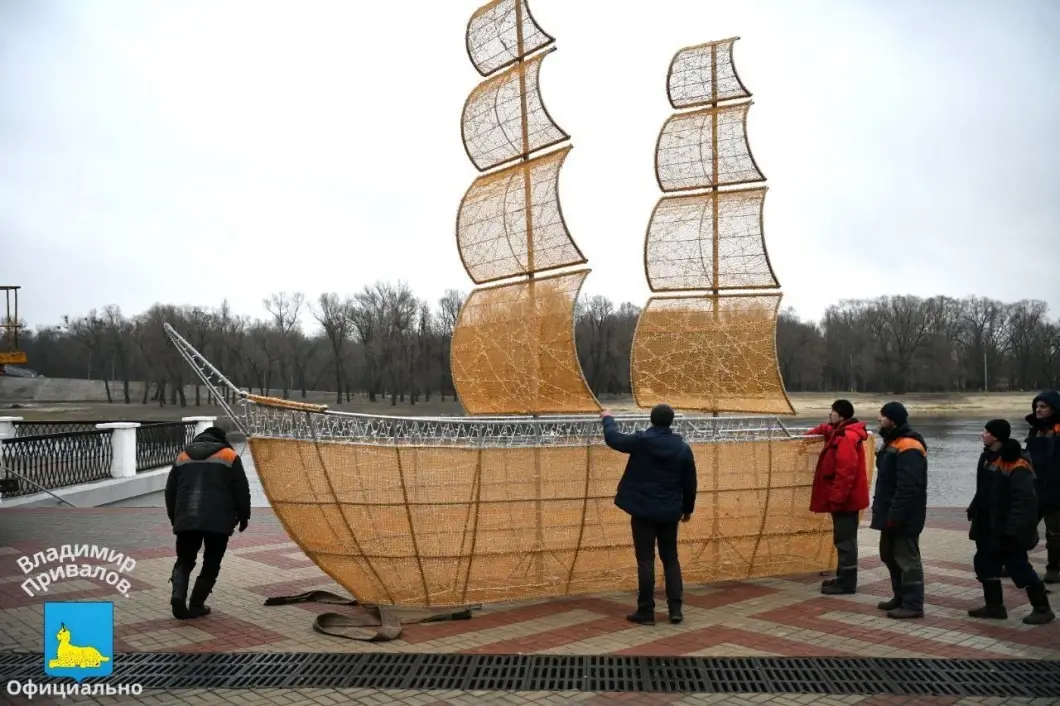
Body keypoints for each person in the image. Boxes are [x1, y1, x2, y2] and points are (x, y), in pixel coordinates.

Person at [600, 404, 697, 626]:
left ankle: (646, 611)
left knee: (646, 560)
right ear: (671, 422)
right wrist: (688, 509)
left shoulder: (641, 442)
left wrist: (607, 418)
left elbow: (613, 439)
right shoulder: (682, 448)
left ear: (651, 420)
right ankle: (675, 610)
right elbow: (690, 483)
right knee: (670, 558)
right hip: (670, 512)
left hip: (642, 510)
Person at [164, 426, 251, 620]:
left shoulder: (182, 456)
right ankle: (196, 604)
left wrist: (174, 517)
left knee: (185, 560)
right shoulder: (229, 455)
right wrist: (244, 516)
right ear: (221, 439)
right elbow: (241, 490)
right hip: (219, 521)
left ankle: (178, 596)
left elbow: (170, 491)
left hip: (186, 518)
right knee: (212, 561)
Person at [967, 437, 1055, 624]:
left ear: (996, 437)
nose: (982, 434)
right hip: (988, 527)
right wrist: (974, 506)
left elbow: (1023, 503)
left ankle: (1043, 609)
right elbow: (984, 489)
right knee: (985, 564)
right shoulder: (987, 457)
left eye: (987, 431)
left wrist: (1012, 533)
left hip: (1006, 530)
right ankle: (994, 607)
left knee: (1019, 568)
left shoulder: (1018, 464)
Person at [804, 399, 870, 595]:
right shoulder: (838, 432)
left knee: (845, 540)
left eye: (831, 411)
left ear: (841, 415)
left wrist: (837, 499)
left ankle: (847, 583)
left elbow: (845, 471)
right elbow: (825, 428)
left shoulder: (846, 437)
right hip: (844, 499)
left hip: (845, 500)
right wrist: (809, 434)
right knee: (843, 538)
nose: (829, 414)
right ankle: (843, 578)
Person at [870, 402, 928, 619]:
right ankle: (900, 597)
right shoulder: (892, 442)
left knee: (907, 559)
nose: (879, 420)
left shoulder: (909, 445)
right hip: (890, 513)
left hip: (904, 515)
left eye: (882, 416)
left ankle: (913, 604)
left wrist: (896, 515)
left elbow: (908, 486)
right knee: (888, 555)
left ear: (892, 420)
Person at [1024, 390, 1060, 583]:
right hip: (1034, 488)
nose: (1038, 409)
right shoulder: (1034, 429)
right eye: (1036, 406)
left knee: (1054, 534)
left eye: (1043, 406)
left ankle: (1053, 567)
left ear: (1053, 408)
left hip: (1055, 490)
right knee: (1024, 526)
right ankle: (1017, 561)